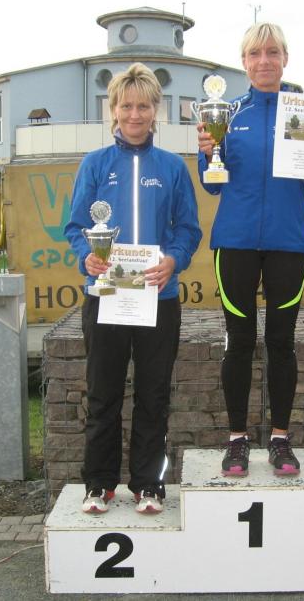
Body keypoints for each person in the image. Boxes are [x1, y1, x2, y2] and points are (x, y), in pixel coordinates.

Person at [196, 22, 304, 478]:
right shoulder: (227, 113)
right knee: (238, 341)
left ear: (285, 59)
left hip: (289, 242)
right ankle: (236, 441)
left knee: (282, 342)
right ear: (243, 62)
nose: (264, 61)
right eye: (255, 53)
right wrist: (207, 151)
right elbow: (212, 184)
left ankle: (281, 440)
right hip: (235, 243)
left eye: (272, 52)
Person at [64, 63, 202, 515]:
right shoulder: (95, 164)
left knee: (153, 396)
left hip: (158, 298)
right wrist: (86, 256)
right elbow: (75, 226)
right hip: (105, 295)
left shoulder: (172, 167)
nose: (135, 114)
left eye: (143, 106)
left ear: (155, 110)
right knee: (102, 395)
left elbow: (188, 229)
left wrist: (173, 260)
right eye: (126, 106)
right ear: (114, 110)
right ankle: (99, 485)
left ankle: (149, 485)